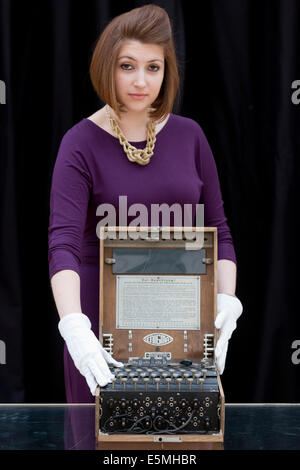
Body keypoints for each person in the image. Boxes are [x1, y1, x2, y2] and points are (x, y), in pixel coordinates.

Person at [48, 4, 243, 404]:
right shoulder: (80, 143)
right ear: (108, 67)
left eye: (153, 67)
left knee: (178, 440)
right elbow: (63, 245)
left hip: (181, 321)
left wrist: (226, 300)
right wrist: (73, 326)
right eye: (127, 66)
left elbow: (219, 230)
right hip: (99, 328)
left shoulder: (190, 136)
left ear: (167, 71)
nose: (141, 81)